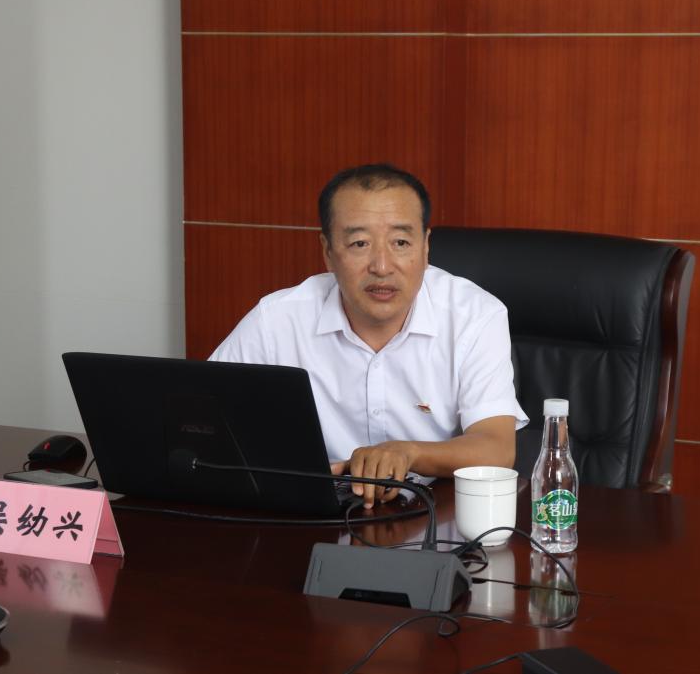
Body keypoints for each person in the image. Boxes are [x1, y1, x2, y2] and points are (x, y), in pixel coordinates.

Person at [210, 163, 527, 507]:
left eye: (400, 242)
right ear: (328, 252)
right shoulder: (277, 319)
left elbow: (496, 449)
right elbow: (204, 421)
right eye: (359, 243)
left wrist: (407, 453)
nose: (381, 266)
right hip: (315, 517)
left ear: (425, 247)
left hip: (435, 517)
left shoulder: (474, 315)